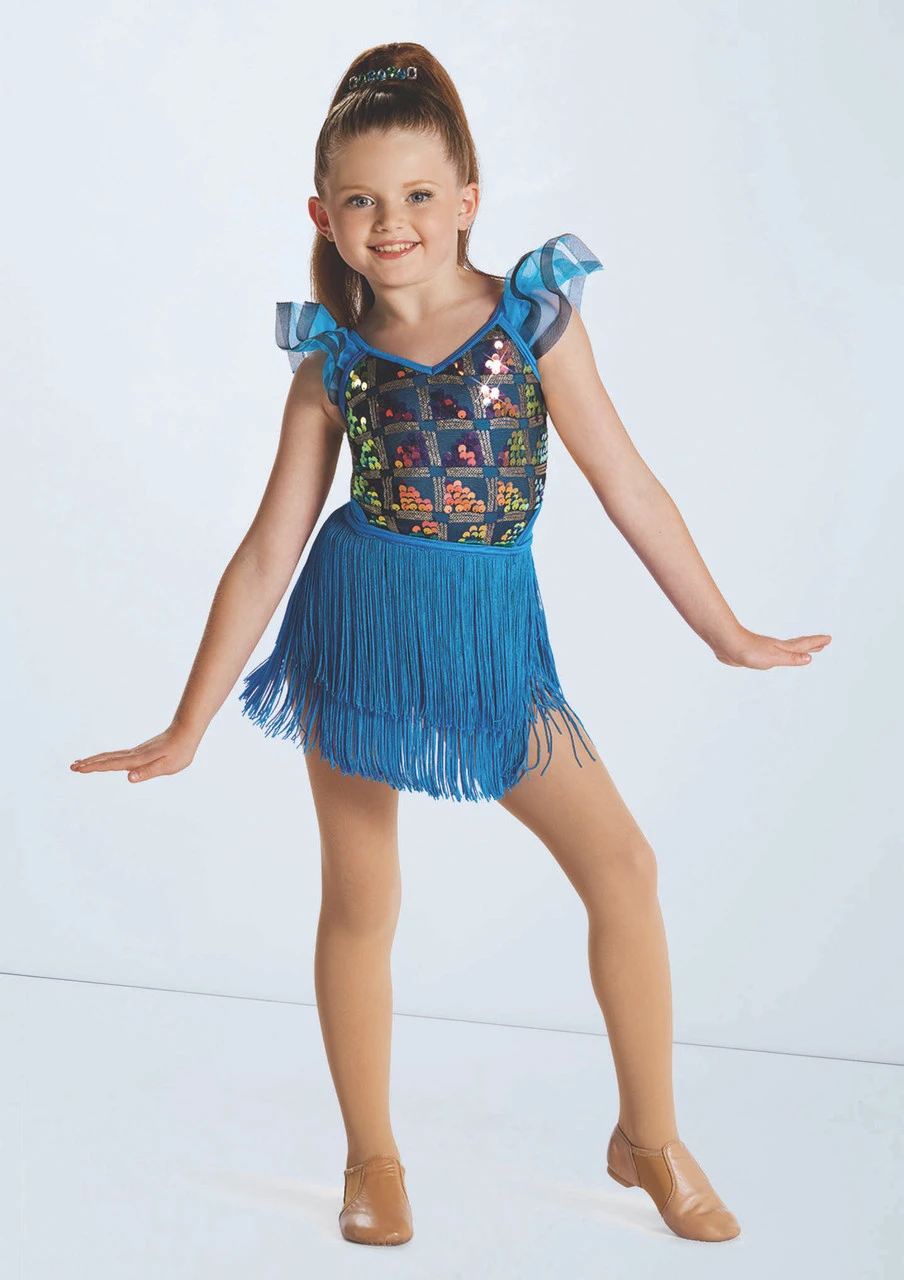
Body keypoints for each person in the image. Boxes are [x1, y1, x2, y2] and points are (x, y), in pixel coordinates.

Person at [70, 41, 832, 1249]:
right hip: (359, 633)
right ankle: (371, 1156)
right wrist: (188, 721)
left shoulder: (532, 324)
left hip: (487, 643)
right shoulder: (332, 364)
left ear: (468, 197)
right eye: (362, 200)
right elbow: (267, 550)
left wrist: (724, 631)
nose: (392, 224)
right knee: (362, 895)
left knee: (622, 866)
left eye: (418, 194)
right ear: (322, 215)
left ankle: (648, 1136)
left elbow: (629, 484)